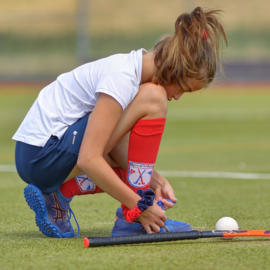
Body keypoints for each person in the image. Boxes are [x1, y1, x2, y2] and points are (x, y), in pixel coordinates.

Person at [13, 7, 228, 238]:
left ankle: (59, 194)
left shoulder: (131, 72)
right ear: (173, 69)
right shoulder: (123, 79)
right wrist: (139, 207)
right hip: (42, 157)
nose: (176, 97)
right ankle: (133, 221)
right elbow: (89, 158)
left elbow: (115, 150)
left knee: (130, 157)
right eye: (182, 89)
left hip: (41, 157)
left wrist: (156, 180)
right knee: (153, 99)